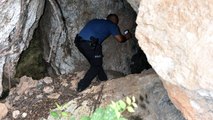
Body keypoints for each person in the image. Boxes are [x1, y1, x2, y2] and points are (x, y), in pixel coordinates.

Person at [74, 14, 132, 92]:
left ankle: (103, 79)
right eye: (116, 22)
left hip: (79, 42)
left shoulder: (95, 20)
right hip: (90, 44)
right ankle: (81, 86)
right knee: (96, 65)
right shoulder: (112, 25)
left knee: (96, 62)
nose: (116, 24)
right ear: (114, 21)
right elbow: (120, 39)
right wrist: (127, 36)